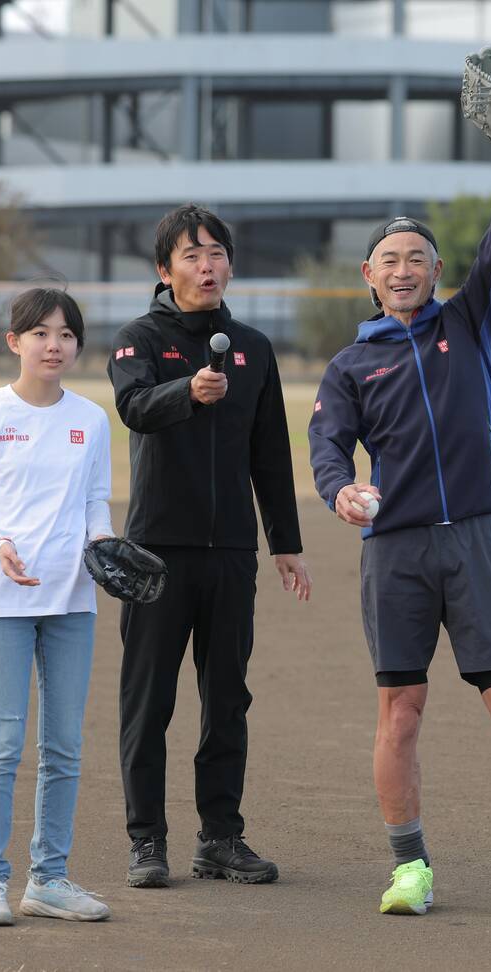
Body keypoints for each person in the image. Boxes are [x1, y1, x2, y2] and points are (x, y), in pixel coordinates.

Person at [308, 133, 491, 920]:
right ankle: (410, 868)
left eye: (416, 257)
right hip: (395, 551)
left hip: (475, 543)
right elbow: (326, 444)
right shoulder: (351, 365)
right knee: (402, 711)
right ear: (369, 275)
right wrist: (340, 492)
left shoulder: (469, 320)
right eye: (389, 258)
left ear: (434, 270)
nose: (403, 269)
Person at [108, 204, 312, 889]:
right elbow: (133, 406)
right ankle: (147, 841)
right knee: (149, 701)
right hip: (157, 554)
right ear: (165, 270)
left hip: (231, 554)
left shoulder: (252, 347)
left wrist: (284, 541)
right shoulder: (139, 337)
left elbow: (271, 453)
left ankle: (221, 838)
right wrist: (187, 394)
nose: (207, 266)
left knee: (227, 697)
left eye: (217, 254)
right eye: (192, 256)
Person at [0, 288, 113, 926]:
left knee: (65, 745)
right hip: (1, 599)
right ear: (15, 341)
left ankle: (48, 879)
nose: (54, 345)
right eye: (40, 333)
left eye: (66, 334)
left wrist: (103, 544)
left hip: (72, 601)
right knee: (4, 739)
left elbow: (96, 501)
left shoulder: (91, 420)